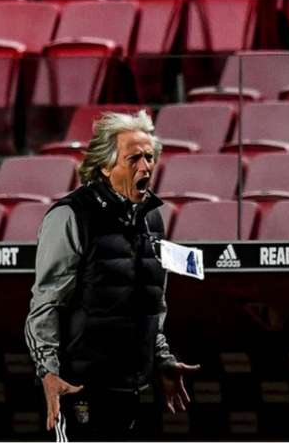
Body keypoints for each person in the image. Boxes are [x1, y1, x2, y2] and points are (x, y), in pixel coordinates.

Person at [25, 111, 199, 441]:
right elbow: (45, 304)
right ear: (106, 166)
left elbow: (153, 301)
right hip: (79, 388)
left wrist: (161, 357)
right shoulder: (70, 216)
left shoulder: (153, 220)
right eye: (134, 158)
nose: (146, 167)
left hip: (137, 388)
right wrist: (47, 370)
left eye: (150, 157)